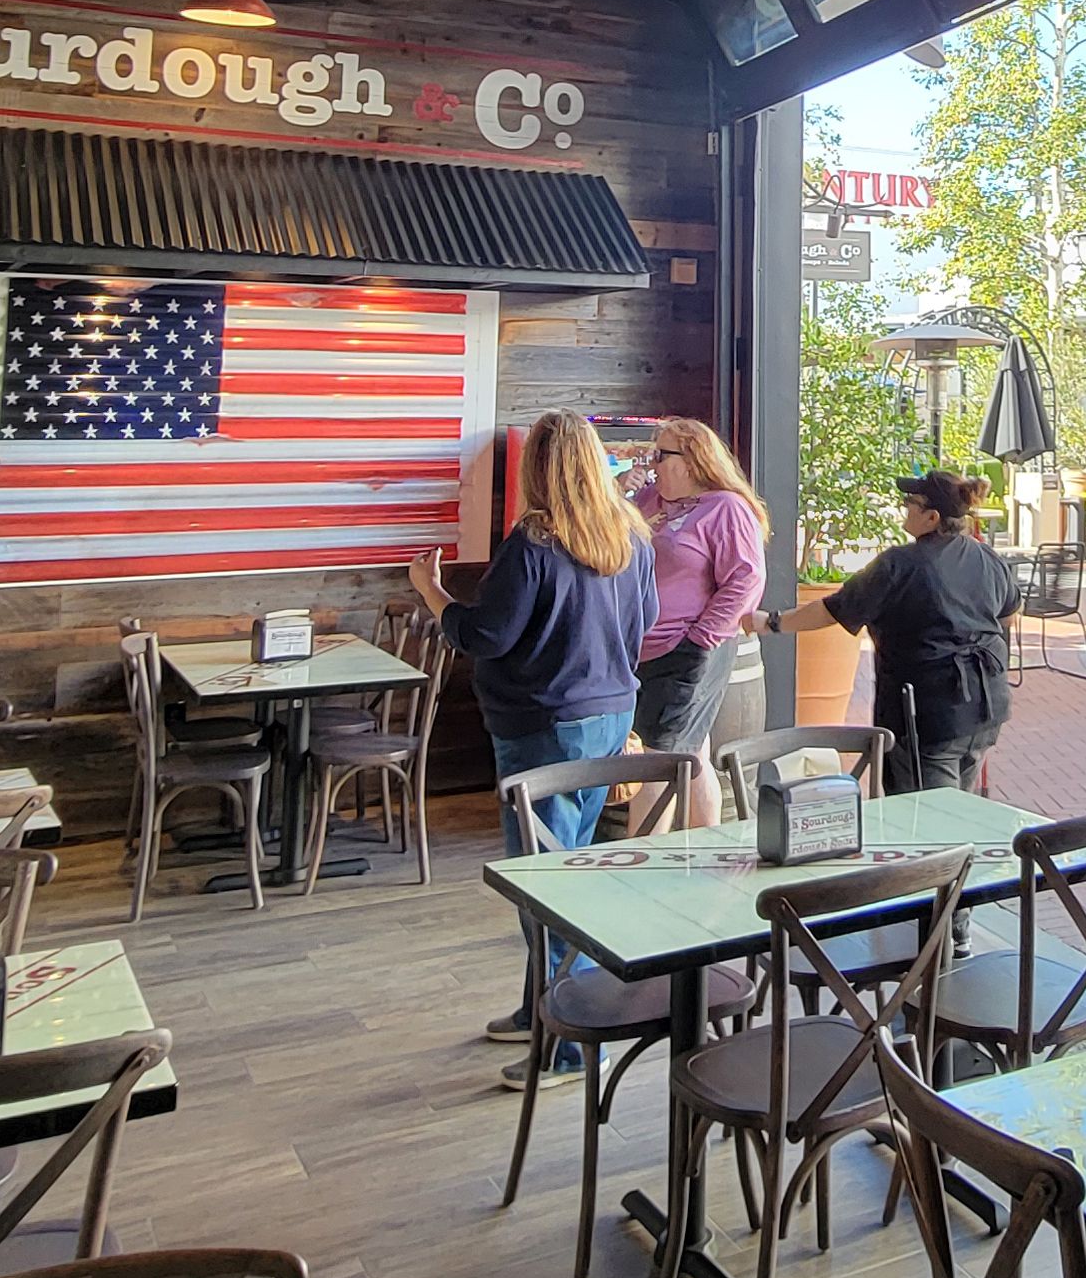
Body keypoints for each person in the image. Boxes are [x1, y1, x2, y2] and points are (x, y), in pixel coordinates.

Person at [414, 412, 656, 1080]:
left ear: (535, 469)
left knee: (544, 883)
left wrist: (432, 594)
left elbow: (485, 636)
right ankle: (539, 1007)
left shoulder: (533, 545)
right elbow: (649, 620)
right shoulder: (630, 536)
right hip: (608, 715)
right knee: (567, 870)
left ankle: (570, 1045)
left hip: (542, 728)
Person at [744, 470, 1018, 794]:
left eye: (911, 502)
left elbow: (835, 609)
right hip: (984, 708)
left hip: (928, 714)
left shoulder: (900, 564)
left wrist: (771, 622)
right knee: (959, 805)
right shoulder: (986, 557)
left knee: (928, 816)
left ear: (932, 517)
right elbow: (1009, 615)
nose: (904, 507)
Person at [625, 416, 766, 830]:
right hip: (644, 647)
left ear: (690, 461)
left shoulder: (725, 508)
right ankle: (705, 848)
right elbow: (610, 539)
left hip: (687, 648)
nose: (653, 463)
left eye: (660, 455)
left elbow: (746, 578)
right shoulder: (651, 500)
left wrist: (702, 638)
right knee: (691, 751)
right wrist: (621, 491)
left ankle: (642, 864)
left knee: (657, 759)